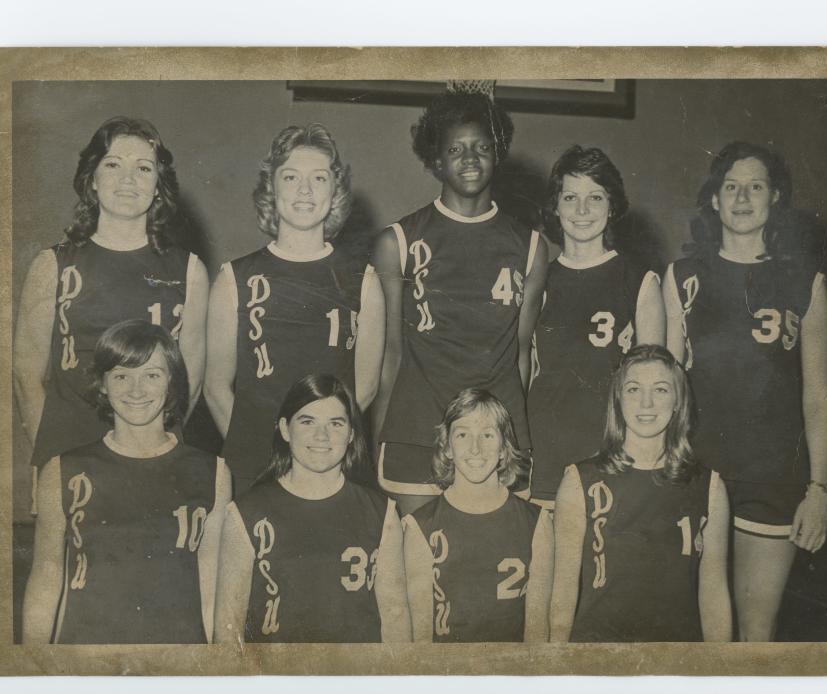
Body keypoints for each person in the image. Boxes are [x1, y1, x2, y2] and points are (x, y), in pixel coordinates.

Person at [662, 142, 827, 641]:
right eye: (729, 186)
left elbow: (818, 395)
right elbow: (666, 390)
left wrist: (819, 490)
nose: (741, 197)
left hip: (773, 478)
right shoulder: (683, 277)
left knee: (757, 633)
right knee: (694, 628)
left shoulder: (806, 282)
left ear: (775, 198)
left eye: (755, 186)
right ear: (713, 199)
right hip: (697, 471)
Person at [14, 116, 208, 511]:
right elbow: (26, 376)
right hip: (70, 454)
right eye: (113, 164)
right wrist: (51, 461)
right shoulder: (52, 266)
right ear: (92, 179)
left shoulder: (188, 271)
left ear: (158, 186)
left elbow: (190, 382)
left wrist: (155, 444)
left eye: (143, 168)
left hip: (156, 459)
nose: (128, 179)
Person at [372, 89, 548, 514]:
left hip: (495, 437)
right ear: (435, 159)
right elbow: (390, 353)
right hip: (416, 430)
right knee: (417, 566)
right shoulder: (399, 242)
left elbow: (522, 356)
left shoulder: (529, 246)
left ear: (499, 154)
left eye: (482, 147)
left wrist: (513, 436)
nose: (470, 158)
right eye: (455, 148)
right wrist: (378, 437)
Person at [22, 320, 230, 644]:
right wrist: (33, 668)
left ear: (172, 381)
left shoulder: (212, 472)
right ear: (103, 383)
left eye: (152, 375)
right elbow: (47, 579)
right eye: (121, 376)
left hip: (175, 655)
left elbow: (210, 586)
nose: (136, 390)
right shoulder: (63, 470)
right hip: (89, 653)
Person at [205, 124, 383, 493]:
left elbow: (364, 388)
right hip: (255, 469)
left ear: (335, 191)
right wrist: (261, 456)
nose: (305, 190)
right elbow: (216, 388)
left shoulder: (362, 280)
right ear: (272, 188)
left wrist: (322, 453)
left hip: (332, 469)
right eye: (290, 177)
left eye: (318, 178)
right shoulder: (233, 279)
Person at [550, 345, 731, 642]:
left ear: (678, 401)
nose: (646, 403)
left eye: (660, 390)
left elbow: (714, 595)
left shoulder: (710, 487)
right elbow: (563, 593)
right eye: (634, 389)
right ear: (618, 399)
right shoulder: (578, 481)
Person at [212, 374, 409, 643]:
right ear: (284, 428)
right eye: (307, 421)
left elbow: (395, 620)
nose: (321, 436)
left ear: (351, 433)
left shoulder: (382, 512)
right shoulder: (246, 513)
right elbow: (228, 629)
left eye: (335, 424)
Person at [526, 145, 665, 506]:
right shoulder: (537, 280)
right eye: (570, 197)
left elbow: (654, 387)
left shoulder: (640, 281)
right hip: (546, 452)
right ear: (555, 207)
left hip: (610, 454)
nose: (583, 211)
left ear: (612, 205)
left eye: (595, 197)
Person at [401, 388, 553, 642]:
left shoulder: (537, 523)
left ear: (504, 448)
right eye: (462, 435)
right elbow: (420, 636)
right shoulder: (420, 526)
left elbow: (538, 631)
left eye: (487, 435)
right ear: (447, 447)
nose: (475, 448)